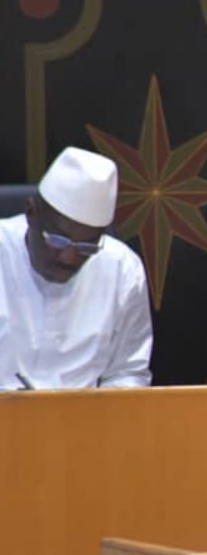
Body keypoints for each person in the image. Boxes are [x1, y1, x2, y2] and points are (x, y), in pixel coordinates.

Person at [0, 147, 153, 390]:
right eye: (57, 240)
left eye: (86, 246)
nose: (70, 257)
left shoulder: (122, 269)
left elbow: (128, 372)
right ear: (31, 213)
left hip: (85, 422)